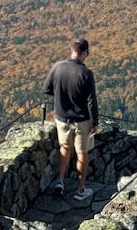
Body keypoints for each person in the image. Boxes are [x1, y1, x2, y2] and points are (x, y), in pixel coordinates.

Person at [41, 38, 99, 201]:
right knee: (82, 153)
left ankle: (60, 181)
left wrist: (62, 97)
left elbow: (46, 89)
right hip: (81, 120)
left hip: (61, 117)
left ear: (72, 50)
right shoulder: (85, 73)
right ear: (85, 53)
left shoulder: (57, 67)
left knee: (65, 148)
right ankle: (80, 190)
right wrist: (95, 123)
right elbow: (91, 101)